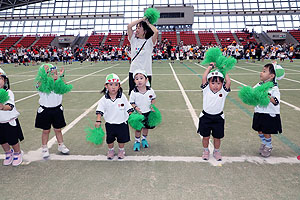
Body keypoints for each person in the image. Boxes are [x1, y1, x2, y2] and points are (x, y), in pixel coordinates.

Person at [35, 64, 70, 159]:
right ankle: (44, 148)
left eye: (55, 73)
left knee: (58, 129)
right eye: (51, 73)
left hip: (57, 109)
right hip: (45, 110)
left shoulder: (57, 83)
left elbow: (64, 87)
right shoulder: (42, 84)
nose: (54, 75)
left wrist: (61, 77)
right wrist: (45, 75)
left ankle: (61, 145)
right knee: (46, 130)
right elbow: (39, 85)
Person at [95, 73, 134, 159]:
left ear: (119, 86)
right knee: (110, 140)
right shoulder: (104, 99)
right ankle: (111, 150)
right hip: (110, 123)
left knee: (121, 139)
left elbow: (128, 107)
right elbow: (100, 110)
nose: (113, 87)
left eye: (116, 85)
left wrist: (133, 117)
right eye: (111, 85)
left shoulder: (122, 97)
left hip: (122, 123)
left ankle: (121, 150)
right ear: (106, 86)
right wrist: (98, 120)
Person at [197, 63, 231, 161]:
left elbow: (228, 81)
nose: (215, 86)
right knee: (205, 137)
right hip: (205, 117)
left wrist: (223, 70)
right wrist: (210, 67)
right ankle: (205, 151)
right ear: (209, 83)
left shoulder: (223, 91)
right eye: (213, 83)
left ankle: (216, 151)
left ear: (222, 84)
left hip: (218, 118)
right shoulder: (206, 89)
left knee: (217, 137)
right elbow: (204, 77)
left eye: (218, 83)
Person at [252, 63, 282, 157]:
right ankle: (264, 142)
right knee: (259, 130)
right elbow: (253, 92)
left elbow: (275, 101)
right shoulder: (259, 85)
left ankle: (268, 145)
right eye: (262, 70)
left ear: (272, 76)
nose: (261, 73)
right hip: (259, 111)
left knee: (266, 131)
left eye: (264, 71)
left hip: (269, 113)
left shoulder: (274, 88)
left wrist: (267, 95)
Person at [127, 17, 158, 95]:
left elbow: (156, 31)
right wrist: (142, 19)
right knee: (133, 94)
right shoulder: (133, 40)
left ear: (145, 31)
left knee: (146, 94)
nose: (136, 30)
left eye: (139, 28)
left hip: (146, 72)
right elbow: (129, 26)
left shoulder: (149, 41)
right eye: (136, 28)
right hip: (133, 71)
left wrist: (147, 23)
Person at [0, 68, 24, 166]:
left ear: (5, 80)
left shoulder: (8, 92)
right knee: (2, 140)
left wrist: (3, 107)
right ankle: (8, 152)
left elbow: (10, 106)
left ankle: (18, 153)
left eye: (0, 78)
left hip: (9, 121)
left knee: (13, 139)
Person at [129, 70, 156, 151]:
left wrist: (152, 105)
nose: (139, 80)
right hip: (138, 114)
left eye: (141, 78)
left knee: (145, 128)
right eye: (136, 79)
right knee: (138, 129)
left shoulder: (150, 90)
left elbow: (153, 98)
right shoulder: (133, 92)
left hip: (147, 112)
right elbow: (132, 102)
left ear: (146, 80)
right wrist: (136, 108)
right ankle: (137, 141)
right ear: (134, 81)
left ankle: (144, 139)